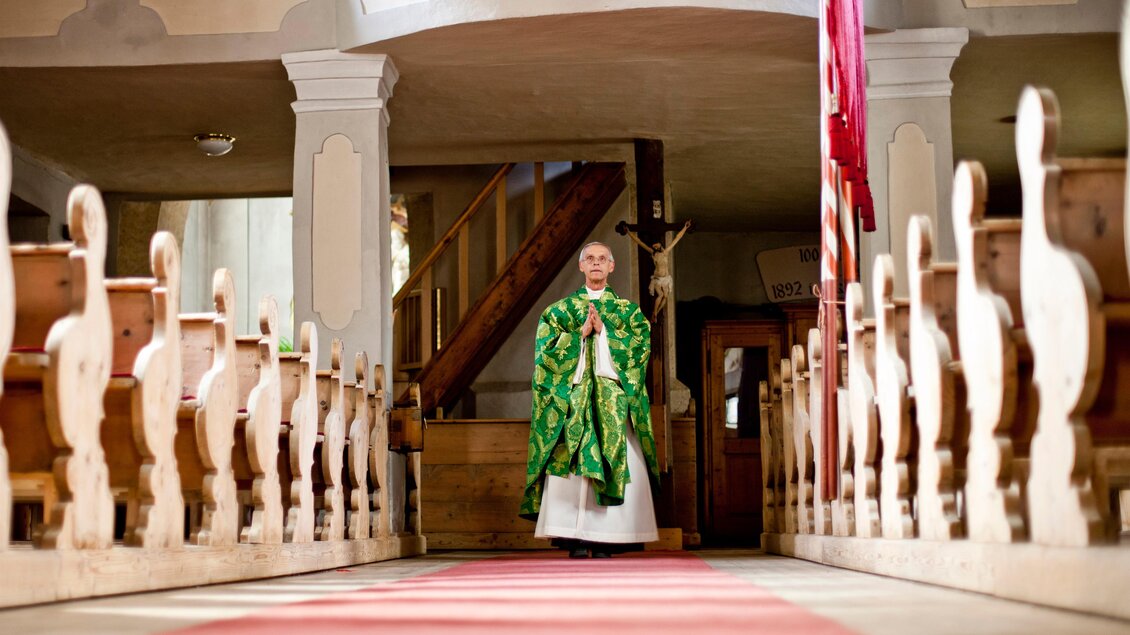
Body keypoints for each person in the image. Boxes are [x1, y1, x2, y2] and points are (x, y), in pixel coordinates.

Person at [520, 241, 659, 558]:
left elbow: (639, 354)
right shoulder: (558, 312)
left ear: (612, 267)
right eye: (590, 259)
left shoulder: (629, 313)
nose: (596, 264)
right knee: (574, 462)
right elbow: (545, 361)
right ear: (581, 266)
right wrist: (579, 335)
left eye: (602, 259)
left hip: (612, 404)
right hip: (575, 402)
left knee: (618, 456)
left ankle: (610, 536)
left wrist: (607, 335)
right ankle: (574, 536)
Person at [623, 220, 692, 320]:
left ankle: (655, 313)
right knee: (660, 295)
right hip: (658, 278)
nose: (654, 246)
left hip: (666, 277)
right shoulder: (652, 253)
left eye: (656, 245)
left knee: (665, 296)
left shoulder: (666, 252)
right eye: (653, 246)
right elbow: (639, 242)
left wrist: (685, 228)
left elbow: (677, 238)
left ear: (660, 244)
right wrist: (629, 232)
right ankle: (654, 312)